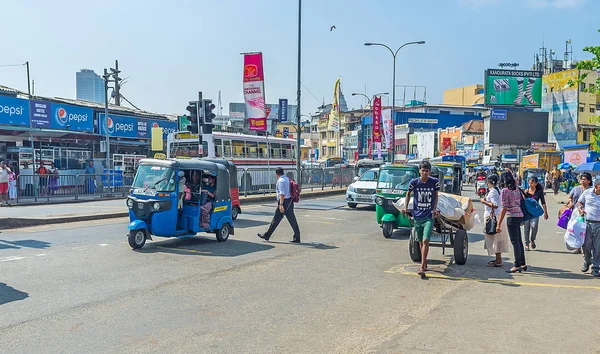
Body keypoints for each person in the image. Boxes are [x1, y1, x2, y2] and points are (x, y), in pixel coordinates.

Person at [402, 160, 440, 276]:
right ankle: (424, 262)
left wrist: (434, 209)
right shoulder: (414, 182)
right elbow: (408, 193)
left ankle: (422, 266)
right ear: (419, 171)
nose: (424, 173)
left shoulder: (434, 182)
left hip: (429, 216)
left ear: (429, 172)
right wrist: (406, 207)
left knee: (425, 240)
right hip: (417, 216)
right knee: (419, 241)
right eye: (423, 171)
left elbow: (436, 196)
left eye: (427, 171)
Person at [258, 167, 300, 243]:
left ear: (276, 174)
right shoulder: (287, 179)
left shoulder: (280, 181)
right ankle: (297, 237)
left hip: (283, 202)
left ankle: (267, 235)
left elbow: (282, 193)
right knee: (292, 220)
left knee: (276, 219)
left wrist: (281, 204)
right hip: (290, 201)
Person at [497, 170, 527, 274]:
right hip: (519, 215)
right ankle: (522, 263)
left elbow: (504, 208)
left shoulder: (505, 191)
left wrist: (498, 223)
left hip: (512, 217)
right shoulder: (517, 189)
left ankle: (517, 265)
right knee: (519, 241)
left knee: (515, 242)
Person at [480, 174, 509, 267]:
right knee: (498, 239)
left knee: (494, 238)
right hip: (498, 216)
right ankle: (498, 259)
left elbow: (495, 205)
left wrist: (484, 201)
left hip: (493, 217)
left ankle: (498, 260)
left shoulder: (493, 192)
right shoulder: (498, 190)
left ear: (489, 182)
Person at [577, 179, 600, 277]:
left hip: (599, 224)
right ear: (596, 186)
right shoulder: (587, 193)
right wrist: (580, 209)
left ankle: (595, 268)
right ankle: (587, 260)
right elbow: (580, 202)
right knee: (586, 245)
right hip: (588, 223)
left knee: (597, 247)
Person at [523, 176, 549, 251]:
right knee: (526, 228)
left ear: (536, 183)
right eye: (529, 182)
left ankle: (532, 239)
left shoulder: (539, 192)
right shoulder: (526, 191)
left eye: (532, 183)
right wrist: (524, 194)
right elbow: (522, 201)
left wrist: (545, 212)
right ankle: (526, 244)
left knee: (534, 225)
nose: (530, 184)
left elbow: (543, 202)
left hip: (535, 212)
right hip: (527, 212)